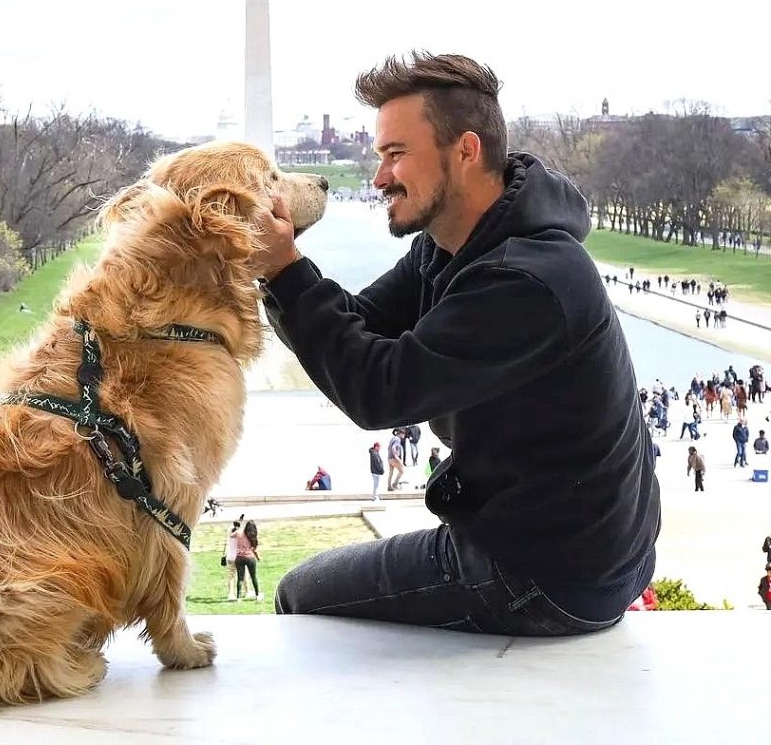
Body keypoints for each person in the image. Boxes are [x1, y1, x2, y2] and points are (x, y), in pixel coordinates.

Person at [254, 51, 660, 635]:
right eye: (379, 156)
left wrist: (286, 269)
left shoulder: (527, 279)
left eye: (396, 155)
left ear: (466, 151)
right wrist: (276, 274)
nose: (378, 178)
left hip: (548, 573)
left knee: (298, 593)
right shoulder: (452, 244)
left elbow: (379, 389)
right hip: (567, 544)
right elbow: (361, 322)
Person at [233, 520, 262, 601]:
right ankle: (257, 595)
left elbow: (232, 535)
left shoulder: (239, 533)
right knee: (253, 577)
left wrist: (236, 529)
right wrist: (258, 557)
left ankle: (238, 597)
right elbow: (254, 549)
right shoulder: (252, 536)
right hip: (249, 557)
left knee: (240, 578)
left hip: (239, 557)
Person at [224, 517, 246, 601]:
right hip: (239, 557)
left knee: (231, 577)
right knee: (244, 575)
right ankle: (246, 591)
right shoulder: (240, 534)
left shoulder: (230, 532)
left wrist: (239, 520)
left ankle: (230, 594)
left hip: (229, 557)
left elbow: (233, 526)